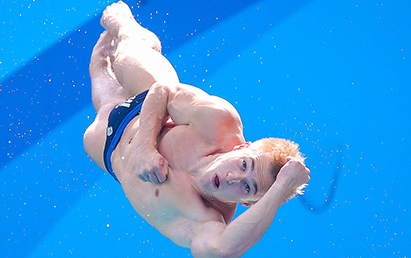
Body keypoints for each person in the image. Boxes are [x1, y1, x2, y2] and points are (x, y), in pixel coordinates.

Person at [84, 1, 310, 257]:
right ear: (242, 147)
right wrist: (145, 148)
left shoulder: (204, 220)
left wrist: (281, 188)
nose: (234, 177)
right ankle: (129, 28)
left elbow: (222, 251)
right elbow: (164, 91)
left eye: (247, 188)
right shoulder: (220, 123)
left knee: (99, 70)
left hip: (109, 147)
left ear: (247, 203)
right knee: (128, 51)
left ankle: (108, 60)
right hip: (146, 98)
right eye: (244, 165)